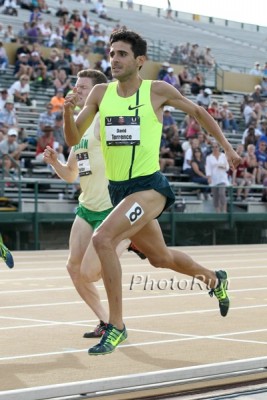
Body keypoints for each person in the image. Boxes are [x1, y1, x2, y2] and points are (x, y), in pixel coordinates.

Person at [63, 29, 241, 356]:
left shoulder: (156, 90)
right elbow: (74, 141)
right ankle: (215, 279)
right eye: (111, 53)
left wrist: (227, 148)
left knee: (102, 239)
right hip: (121, 192)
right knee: (161, 259)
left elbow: (199, 113)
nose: (114, 59)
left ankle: (115, 326)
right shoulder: (100, 94)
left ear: (140, 60)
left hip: (150, 188)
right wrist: (66, 111)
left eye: (122, 54)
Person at [44, 68, 144, 338]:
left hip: (110, 210)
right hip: (86, 208)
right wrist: (55, 163)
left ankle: (127, 239)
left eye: (83, 88)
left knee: (90, 272)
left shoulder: (105, 119)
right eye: (76, 86)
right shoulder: (79, 129)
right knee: (74, 269)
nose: (77, 91)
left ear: (98, 93)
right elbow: (71, 174)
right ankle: (107, 321)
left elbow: (133, 141)